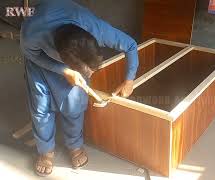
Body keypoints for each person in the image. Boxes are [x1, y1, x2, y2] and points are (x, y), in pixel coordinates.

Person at [20, 0, 139, 176]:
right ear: (61, 56)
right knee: (40, 107)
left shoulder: (95, 28)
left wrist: (129, 80)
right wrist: (63, 70)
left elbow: (130, 45)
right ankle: (46, 151)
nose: (90, 75)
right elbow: (31, 54)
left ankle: (74, 145)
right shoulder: (32, 32)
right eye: (87, 71)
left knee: (75, 104)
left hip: (72, 52)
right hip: (41, 63)